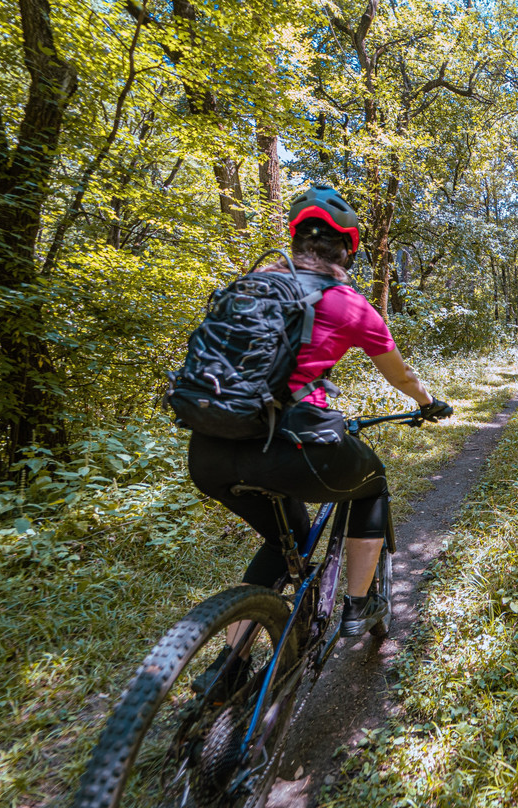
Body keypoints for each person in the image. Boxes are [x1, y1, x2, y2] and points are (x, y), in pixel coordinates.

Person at [187, 184, 451, 643]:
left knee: (283, 540)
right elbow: (402, 375)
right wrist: (428, 403)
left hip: (209, 451)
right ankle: (359, 605)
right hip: (291, 446)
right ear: (347, 251)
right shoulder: (348, 303)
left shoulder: (250, 288)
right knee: (373, 483)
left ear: (295, 242)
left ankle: (228, 668)